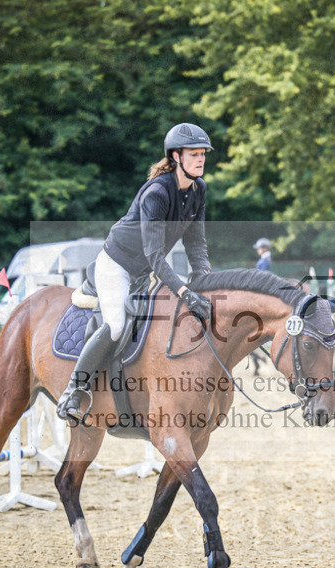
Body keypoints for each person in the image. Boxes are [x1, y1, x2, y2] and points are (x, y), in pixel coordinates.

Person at [56, 123, 215, 424]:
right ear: (176, 157)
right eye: (194, 154)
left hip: (143, 273)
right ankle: (74, 390)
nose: (201, 159)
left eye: (203, 154)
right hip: (116, 265)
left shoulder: (198, 190)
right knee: (116, 325)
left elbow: (196, 242)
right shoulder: (157, 192)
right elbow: (155, 255)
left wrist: (203, 276)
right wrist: (184, 291)